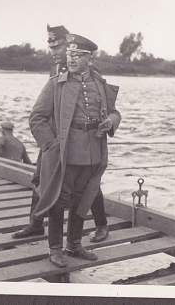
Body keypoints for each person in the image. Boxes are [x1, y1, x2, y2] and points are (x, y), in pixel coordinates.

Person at [29, 33, 121, 267]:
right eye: (70, 55)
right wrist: (50, 145)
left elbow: (115, 112)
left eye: (78, 56)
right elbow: (37, 118)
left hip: (92, 152)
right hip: (65, 154)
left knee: (84, 199)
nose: (71, 59)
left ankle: (74, 245)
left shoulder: (100, 84)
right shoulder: (55, 84)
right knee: (59, 201)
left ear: (90, 59)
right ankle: (55, 249)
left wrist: (110, 121)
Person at [11, 25, 109, 243]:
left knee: (87, 185)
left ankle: (101, 224)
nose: (54, 51)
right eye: (51, 47)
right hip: (54, 138)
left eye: (58, 46)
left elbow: (100, 105)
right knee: (40, 176)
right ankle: (36, 224)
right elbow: (44, 109)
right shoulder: (56, 71)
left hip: (77, 143)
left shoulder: (89, 73)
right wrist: (49, 142)